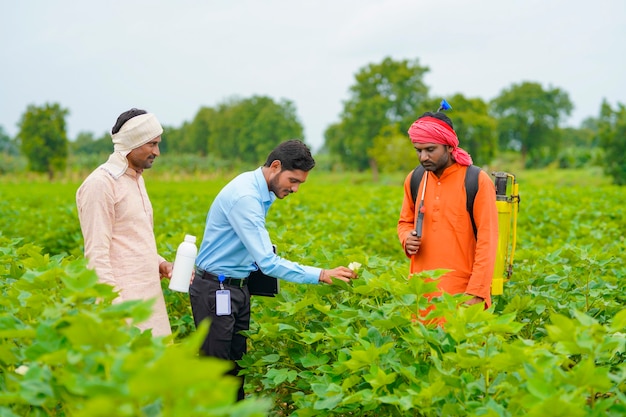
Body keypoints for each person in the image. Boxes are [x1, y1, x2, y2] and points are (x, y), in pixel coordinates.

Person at [189, 139, 357, 401]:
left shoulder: (260, 190)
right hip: (216, 291)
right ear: (275, 166)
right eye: (293, 180)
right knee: (216, 373)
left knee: (235, 369)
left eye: (300, 182)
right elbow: (267, 262)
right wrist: (322, 274)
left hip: (237, 287)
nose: (295, 188)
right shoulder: (246, 196)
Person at [76, 108, 173, 337]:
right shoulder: (101, 184)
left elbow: (132, 239)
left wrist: (160, 263)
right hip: (125, 307)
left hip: (150, 301)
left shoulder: (136, 180)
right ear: (132, 142)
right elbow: (96, 255)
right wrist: (116, 311)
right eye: (151, 144)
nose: (157, 152)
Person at [397, 112, 498, 315]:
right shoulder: (415, 179)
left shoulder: (476, 180)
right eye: (418, 150)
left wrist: (476, 293)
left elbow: (488, 241)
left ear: (450, 146)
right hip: (421, 296)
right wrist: (407, 238)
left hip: (462, 296)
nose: (423, 157)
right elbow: (404, 222)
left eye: (430, 150)